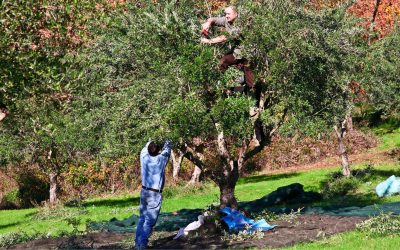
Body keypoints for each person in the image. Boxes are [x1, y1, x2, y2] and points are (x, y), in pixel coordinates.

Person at [200, 6, 254, 93]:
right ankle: (230, 87)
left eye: (228, 14)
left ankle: (251, 97)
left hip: (247, 53)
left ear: (236, 14)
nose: (226, 16)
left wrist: (208, 41)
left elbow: (224, 37)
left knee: (250, 80)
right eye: (225, 14)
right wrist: (208, 23)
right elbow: (214, 19)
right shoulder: (227, 20)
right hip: (237, 51)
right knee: (223, 62)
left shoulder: (241, 24)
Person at [134, 139, 173, 249]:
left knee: (142, 218)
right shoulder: (161, 160)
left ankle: (138, 243)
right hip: (154, 194)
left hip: (144, 191)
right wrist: (167, 136)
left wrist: (151, 139)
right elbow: (168, 147)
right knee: (149, 221)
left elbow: (146, 147)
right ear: (158, 150)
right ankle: (142, 244)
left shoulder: (144, 157)